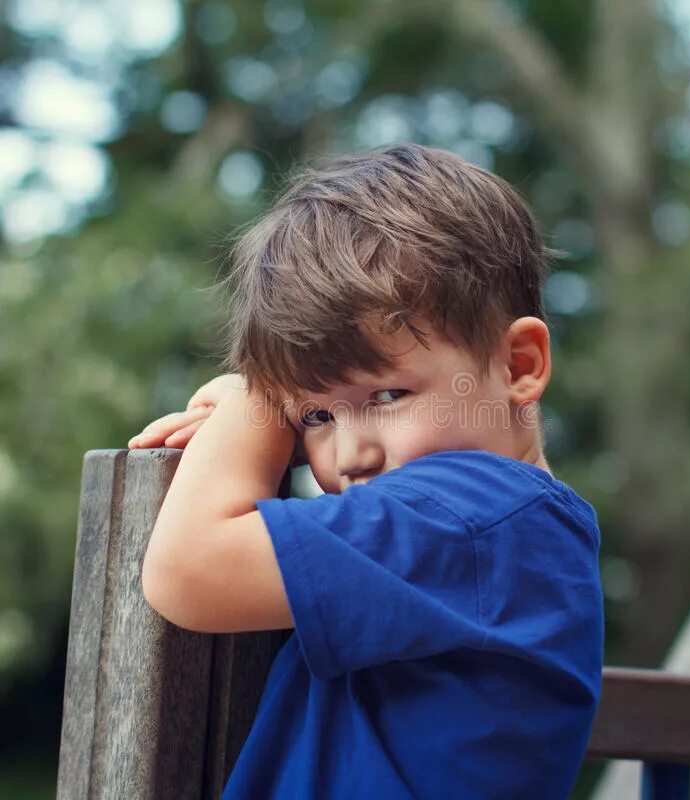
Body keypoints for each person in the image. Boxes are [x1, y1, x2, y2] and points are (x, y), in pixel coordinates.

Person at [129, 143, 604, 799]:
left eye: (387, 397)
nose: (351, 454)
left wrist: (251, 407)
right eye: (315, 419)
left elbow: (189, 570)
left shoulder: (470, 515)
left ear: (518, 366)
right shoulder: (501, 531)